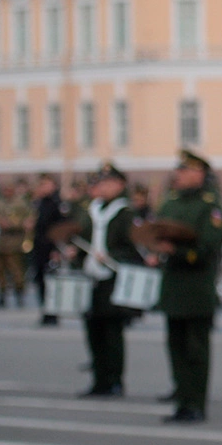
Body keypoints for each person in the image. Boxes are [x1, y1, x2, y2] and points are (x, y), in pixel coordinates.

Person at [155, 149, 222, 424]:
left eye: (186, 171)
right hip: (173, 286)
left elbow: (209, 245)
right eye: (180, 170)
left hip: (196, 286)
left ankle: (195, 403)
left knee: (196, 351)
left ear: (199, 174)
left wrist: (178, 252)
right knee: (176, 348)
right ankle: (182, 399)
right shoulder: (171, 202)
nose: (180, 175)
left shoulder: (210, 205)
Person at [74, 162, 143, 397]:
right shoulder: (91, 210)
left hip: (113, 278)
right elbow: (81, 237)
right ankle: (99, 379)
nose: (101, 187)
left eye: (106, 183)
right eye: (99, 183)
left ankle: (114, 380)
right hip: (91, 276)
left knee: (112, 332)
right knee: (93, 329)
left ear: (119, 184)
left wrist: (112, 257)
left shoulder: (126, 213)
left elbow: (134, 247)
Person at [31, 173, 68, 326]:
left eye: (46, 184)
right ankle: (45, 310)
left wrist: (57, 249)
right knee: (40, 280)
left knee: (51, 282)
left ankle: (52, 312)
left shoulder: (57, 204)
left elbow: (60, 228)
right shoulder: (39, 203)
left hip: (51, 247)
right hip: (39, 246)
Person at [0, 180, 33, 308]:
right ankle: (2, 295)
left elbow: (29, 218)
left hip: (15, 241)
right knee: (0, 271)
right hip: (2, 242)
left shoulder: (20, 203)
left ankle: (19, 294)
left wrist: (16, 224)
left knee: (17, 271)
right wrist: (0, 221)